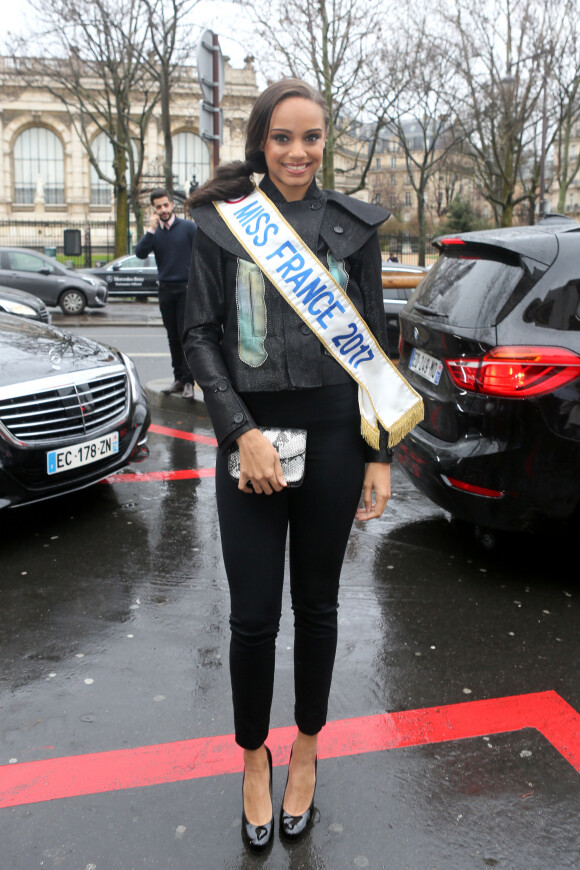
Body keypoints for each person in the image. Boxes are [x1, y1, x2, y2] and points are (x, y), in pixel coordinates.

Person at [183, 79, 420, 850]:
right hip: (251, 437)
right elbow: (200, 338)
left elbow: (377, 347)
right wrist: (237, 432)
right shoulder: (223, 226)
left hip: (335, 436)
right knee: (252, 618)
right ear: (260, 142)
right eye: (283, 138)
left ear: (326, 141)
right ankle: (254, 757)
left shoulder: (353, 228)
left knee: (317, 607)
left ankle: (308, 750)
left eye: (312, 137)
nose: (297, 152)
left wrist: (379, 453)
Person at [135, 188, 196, 398]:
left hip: (186, 290)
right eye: (158, 207)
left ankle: (189, 381)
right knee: (172, 337)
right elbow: (140, 253)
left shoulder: (188, 228)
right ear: (154, 209)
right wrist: (151, 231)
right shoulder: (155, 233)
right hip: (165, 291)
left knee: (184, 336)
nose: (163, 210)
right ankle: (178, 379)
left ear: (172, 205)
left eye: (165, 205)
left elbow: (201, 255)